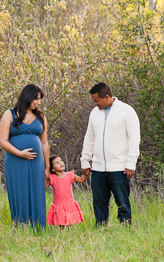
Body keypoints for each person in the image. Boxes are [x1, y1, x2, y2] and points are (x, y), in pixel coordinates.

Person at [80, 82, 140, 226]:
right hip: (98, 168)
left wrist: (131, 162)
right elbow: (89, 137)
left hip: (119, 168)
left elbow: (134, 138)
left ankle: (125, 230)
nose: (95, 104)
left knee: (122, 203)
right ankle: (100, 229)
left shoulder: (127, 111)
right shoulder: (94, 113)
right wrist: (85, 160)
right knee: (99, 202)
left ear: (107, 97)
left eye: (97, 100)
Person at [0, 84, 49, 227]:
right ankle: (21, 226)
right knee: (19, 191)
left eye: (39, 99)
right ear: (28, 97)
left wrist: (47, 166)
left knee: (36, 191)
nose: (38, 102)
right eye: (36, 99)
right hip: (15, 160)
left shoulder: (41, 116)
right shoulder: (10, 114)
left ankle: (38, 227)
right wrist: (20, 153)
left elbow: (44, 143)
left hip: (36, 162)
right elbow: (3, 141)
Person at [45, 155, 88, 228]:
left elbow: (81, 180)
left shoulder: (70, 175)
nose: (61, 163)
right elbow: (44, 187)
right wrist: (45, 175)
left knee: (69, 223)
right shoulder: (52, 178)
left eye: (61, 161)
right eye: (57, 163)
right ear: (52, 169)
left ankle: (68, 236)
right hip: (58, 205)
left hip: (69, 203)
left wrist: (86, 174)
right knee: (61, 224)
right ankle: (62, 236)